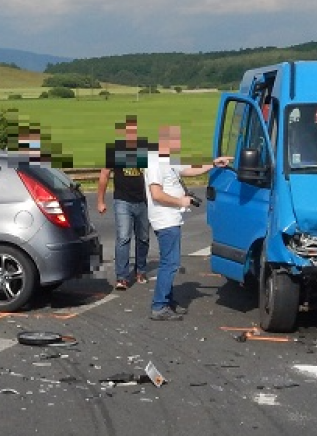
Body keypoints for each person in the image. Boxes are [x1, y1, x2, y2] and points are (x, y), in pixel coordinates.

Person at [144, 125, 231, 321]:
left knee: (170, 262)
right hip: (165, 219)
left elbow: (189, 169)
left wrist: (213, 164)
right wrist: (180, 201)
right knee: (170, 263)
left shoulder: (168, 159)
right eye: (174, 141)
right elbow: (156, 194)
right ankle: (159, 306)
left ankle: (167, 302)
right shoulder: (155, 162)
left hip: (171, 218)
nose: (178, 145)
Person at [97, 116, 152, 291]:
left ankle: (140, 270)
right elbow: (104, 174)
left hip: (142, 201)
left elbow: (153, 173)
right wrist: (100, 201)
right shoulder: (115, 150)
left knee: (143, 237)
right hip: (123, 200)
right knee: (123, 237)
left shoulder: (144, 150)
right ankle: (122, 277)